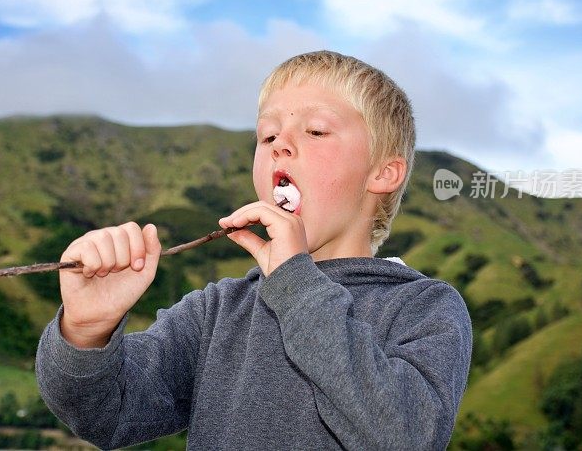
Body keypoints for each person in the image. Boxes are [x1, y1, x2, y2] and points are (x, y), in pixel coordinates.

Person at [36, 50, 473, 450]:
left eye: (316, 130)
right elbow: (106, 415)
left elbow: (405, 436)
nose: (280, 143)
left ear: (383, 173)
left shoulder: (424, 307)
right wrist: (86, 331)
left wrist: (296, 285)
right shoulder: (218, 311)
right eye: (267, 136)